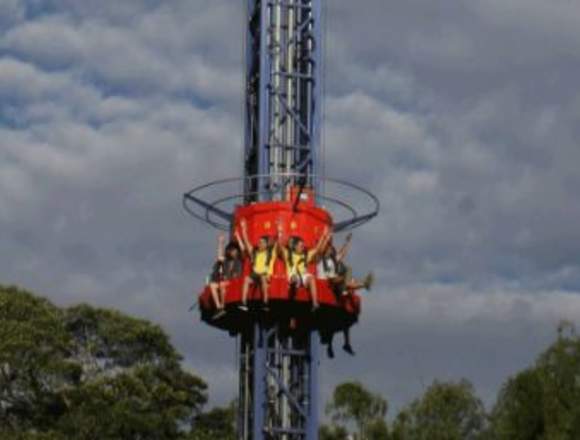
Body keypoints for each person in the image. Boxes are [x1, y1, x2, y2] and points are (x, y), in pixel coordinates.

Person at [317, 233, 374, 357]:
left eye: (331, 250)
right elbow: (320, 250)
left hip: (332, 287)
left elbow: (342, 253)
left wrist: (347, 243)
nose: (330, 251)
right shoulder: (320, 259)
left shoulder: (332, 260)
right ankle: (363, 284)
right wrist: (325, 238)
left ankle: (360, 284)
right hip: (327, 284)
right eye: (329, 249)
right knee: (345, 279)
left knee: (344, 317)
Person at [279, 224, 329, 311]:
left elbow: (317, 249)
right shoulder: (288, 254)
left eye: (303, 246)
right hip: (293, 275)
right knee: (294, 278)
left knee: (311, 278)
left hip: (303, 275)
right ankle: (292, 293)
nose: (302, 247)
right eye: (300, 245)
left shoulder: (306, 255)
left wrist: (323, 236)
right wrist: (279, 232)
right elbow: (280, 246)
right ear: (295, 246)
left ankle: (315, 303)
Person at [239, 219, 277, 311]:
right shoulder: (254, 252)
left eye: (262, 242)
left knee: (263, 278)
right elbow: (246, 241)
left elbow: (276, 241)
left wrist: (277, 228)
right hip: (255, 274)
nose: (259, 244)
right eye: (259, 242)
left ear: (266, 244)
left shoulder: (270, 253)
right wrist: (244, 229)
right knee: (247, 279)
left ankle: (265, 302)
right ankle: (243, 302)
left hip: (265, 274)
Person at [208, 233, 243, 320]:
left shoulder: (239, 260)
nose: (233, 252)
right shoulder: (226, 261)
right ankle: (219, 307)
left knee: (222, 285)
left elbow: (243, 248)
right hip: (226, 281)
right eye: (231, 250)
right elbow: (220, 256)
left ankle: (223, 306)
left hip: (234, 281)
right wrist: (221, 243)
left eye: (234, 250)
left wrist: (239, 237)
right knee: (213, 285)